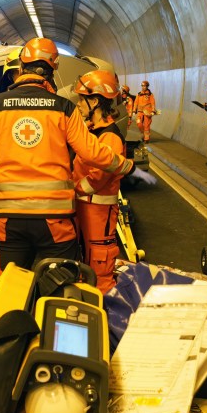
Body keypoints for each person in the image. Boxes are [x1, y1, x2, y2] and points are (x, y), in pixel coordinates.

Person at [0, 37, 156, 271]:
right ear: (51, 72)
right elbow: (92, 152)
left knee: (7, 285)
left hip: (8, 217)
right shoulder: (63, 108)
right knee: (62, 284)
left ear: (21, 67)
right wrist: (128, 166)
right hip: (54, 217)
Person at [72, 70, 128, 293]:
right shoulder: (93, 132)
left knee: (99, 261)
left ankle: (104, 305)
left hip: (99, 210)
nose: (78, 104)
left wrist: (71, 189)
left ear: (94, 101)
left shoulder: (110, 136)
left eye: (81, 99)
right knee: (86, 256)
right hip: (87, 207)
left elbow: (98, 177)